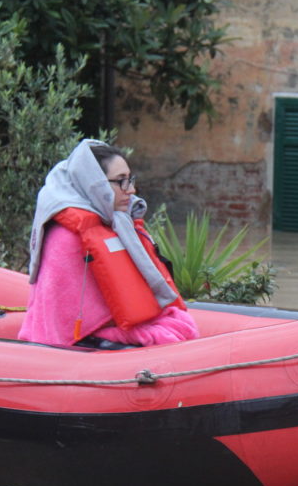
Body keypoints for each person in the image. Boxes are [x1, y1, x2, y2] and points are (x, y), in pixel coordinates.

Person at [18, 139, 199, 347]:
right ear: (95, 184)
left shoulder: (113, 224)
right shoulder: (65, 238)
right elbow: (60, 325)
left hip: (109, 332)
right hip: (78, 345)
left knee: (179, 324)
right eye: (121, 180)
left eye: (130, 179)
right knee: (174, 330)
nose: (130, 189)